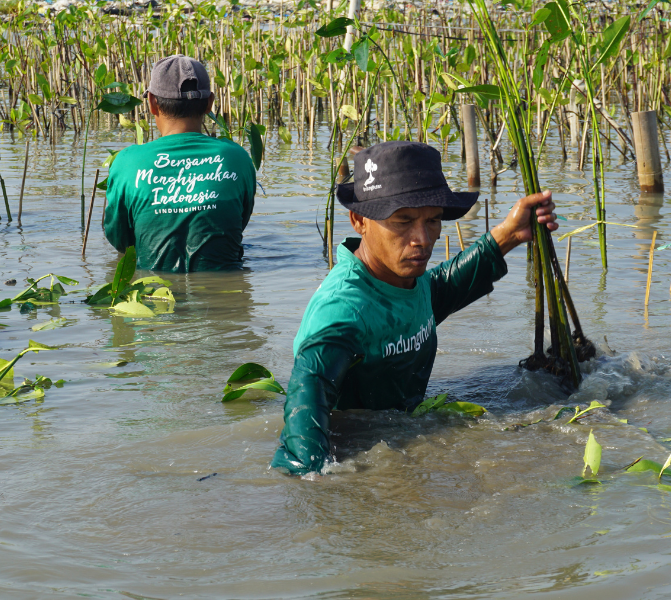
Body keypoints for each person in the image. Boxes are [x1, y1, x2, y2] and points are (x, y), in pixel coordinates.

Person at [270, 141, 558, 475]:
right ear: (359, 220)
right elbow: (303, 430)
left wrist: (507, 236)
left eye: (433, 220)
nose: (422, 238)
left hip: (404, 431)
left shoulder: (403, 276)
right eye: (403, 221)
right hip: (362, 456)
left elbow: (438, 292)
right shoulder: (340, 314)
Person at [104, 54, 256, 272]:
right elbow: (239, 223)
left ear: (152, 103)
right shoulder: (237, 158)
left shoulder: (127, 162)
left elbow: (119, 239)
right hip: (223, 292)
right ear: (209, 104)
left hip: (152, 295)